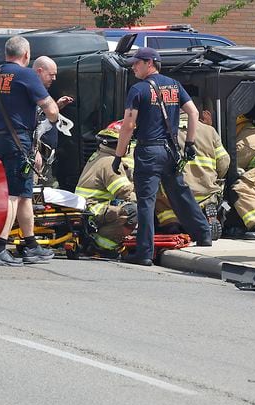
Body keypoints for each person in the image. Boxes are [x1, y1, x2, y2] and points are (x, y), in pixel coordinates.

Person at [115, 47, 212, 266]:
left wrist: (119, 155)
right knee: (179, 192)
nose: (133, 67)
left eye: (136, 63)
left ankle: (144, 253)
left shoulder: (138, 89)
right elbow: (194, 112)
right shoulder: (174, 85)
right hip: (171, 150)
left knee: (146, 202)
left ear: (149, 63)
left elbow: (129, 125)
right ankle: (203, 233)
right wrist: (190, 143)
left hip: (148, 151)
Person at [0, 36, 60, 266]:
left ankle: (31, 244)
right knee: (13, 195)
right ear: (26, 55)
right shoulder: (26, 74)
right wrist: (53, 119)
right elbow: (50, 108)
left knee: (24, 193)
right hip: (18, 140)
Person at [155, 111, 229, 236]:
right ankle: (207, 212)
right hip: (207, 190)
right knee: (211, 196)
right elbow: (224, 161)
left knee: (162, 201)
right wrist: (215, 177)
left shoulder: (161, 130)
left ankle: (173, 225)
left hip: (177, 192)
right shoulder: (209, 130)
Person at [76, 121, 137, 255]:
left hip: (88, 209)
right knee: (133, 211)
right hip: (94, 210)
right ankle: (102, 245)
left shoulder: (99, 155)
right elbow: (124, 191)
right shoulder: (110, 161)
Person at [31, 56, 74, 187]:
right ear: (39, 71)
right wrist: (34, 151)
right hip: (36, 159)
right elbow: (28, 125)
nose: (54, 79)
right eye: (51, 75)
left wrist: (56, 106)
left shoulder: (42, 91)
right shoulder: (29, 91)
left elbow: (42, 117)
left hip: (47, 159)